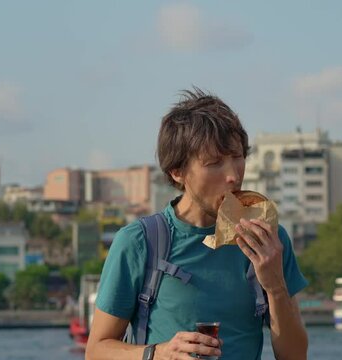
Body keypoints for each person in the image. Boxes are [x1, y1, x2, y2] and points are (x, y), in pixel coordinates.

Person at [85, 88, 309, 360]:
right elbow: (96, 350)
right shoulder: (139, 242)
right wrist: (159, 353)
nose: (233, 176)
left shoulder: (268, 240)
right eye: (214, 163)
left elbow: (295, 356)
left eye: (238, 157)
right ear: (177, 172)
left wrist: (275, 285)